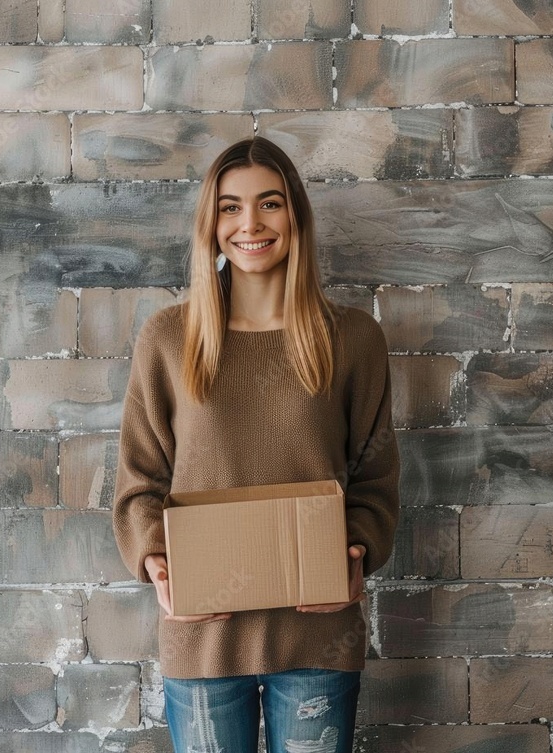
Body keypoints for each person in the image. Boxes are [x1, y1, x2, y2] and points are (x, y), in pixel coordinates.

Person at [112, 136, 400, 753]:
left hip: (317, 635)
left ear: (295, 214)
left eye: (269, 203)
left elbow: (374, 477)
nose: (250, 224)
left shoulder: (351, 339)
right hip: (204, 636)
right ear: (210, 223)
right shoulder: (169, 338)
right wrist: (155, 563)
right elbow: (141, 478)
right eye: (230, 207)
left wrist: (357, 555)